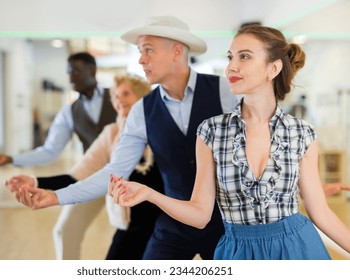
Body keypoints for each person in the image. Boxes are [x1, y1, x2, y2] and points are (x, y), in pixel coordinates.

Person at [109, 24, 350, 260]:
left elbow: (321, 214)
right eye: (230, 57)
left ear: (273, 68)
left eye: (244, 57)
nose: (231, 67)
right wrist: (149, 194)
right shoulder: (211, 132)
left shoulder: (302, 133)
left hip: (296, 249)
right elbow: (200, 215)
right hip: (237, 253)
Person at [14, 15, 238, 260]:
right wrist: (57, 196)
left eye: (148, 50)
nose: (141, 60)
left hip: (228, 223)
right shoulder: (142, 110)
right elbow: (115, 171)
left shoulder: (226, 92)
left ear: (176, 51)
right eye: (140, 52)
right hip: (174, 225)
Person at [6, 74, 163, 260]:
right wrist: (36, 181)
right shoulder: (111, 134)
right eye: (115, 96)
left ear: (142, 96)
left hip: (166, 220)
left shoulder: (162, 127)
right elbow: (78, 175)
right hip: (133, 224)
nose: (119, 100)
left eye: (125, 94)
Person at [0, 52, 116, 167]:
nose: (71, 78)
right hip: (94, 175)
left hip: (129, 175)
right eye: (69, 73)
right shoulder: (69, 113)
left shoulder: (119, 98)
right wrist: (11, 159)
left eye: (75, 72)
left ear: (92, 70)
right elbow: (50, 151)